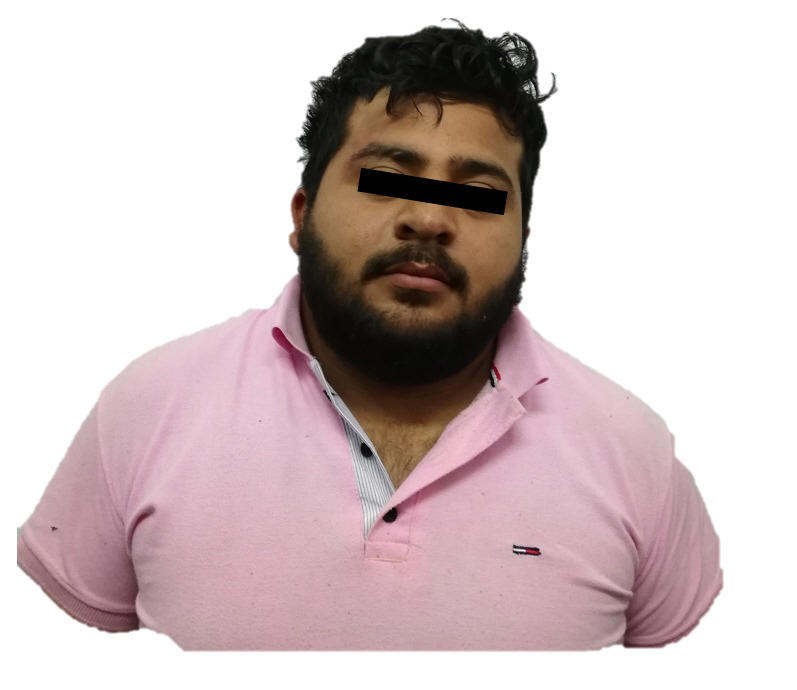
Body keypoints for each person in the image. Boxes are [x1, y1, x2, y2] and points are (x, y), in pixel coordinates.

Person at [16, 17, 723, 650]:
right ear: (302, 213)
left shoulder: (633, 450)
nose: (429, 218)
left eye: (477, 195)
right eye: (386, 178)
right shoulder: (147, 408)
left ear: (524, 237)